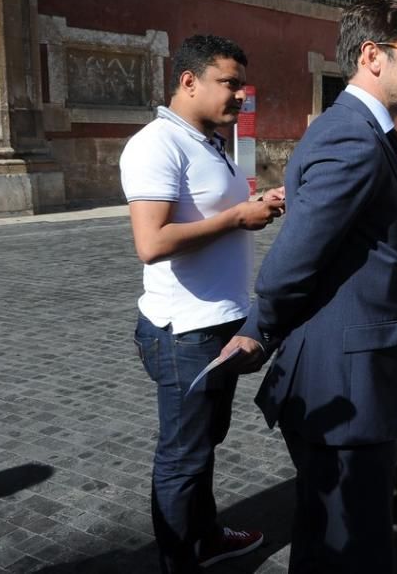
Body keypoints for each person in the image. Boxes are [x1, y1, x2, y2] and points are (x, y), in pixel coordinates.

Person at [222, 0, 397, 572]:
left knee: (333, 539)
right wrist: (262, 325)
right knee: (349, 547)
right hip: (347, 381)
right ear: (373, 56)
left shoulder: (362, 131)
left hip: (357, 374)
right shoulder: (353, 137)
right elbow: (289, 265)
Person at [120, 34, 283, 572]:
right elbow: (152, 242)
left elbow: (209, 213)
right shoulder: (156, 145)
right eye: (229, 83)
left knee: (204, 445)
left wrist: (254, 204)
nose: (239, 95)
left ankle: (207, 536)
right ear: (188, 81)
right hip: (183, 331)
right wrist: (238, 218)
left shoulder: (209, 141)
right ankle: (177, 561)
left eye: (241, 84)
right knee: (182, 457)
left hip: (218, 322)